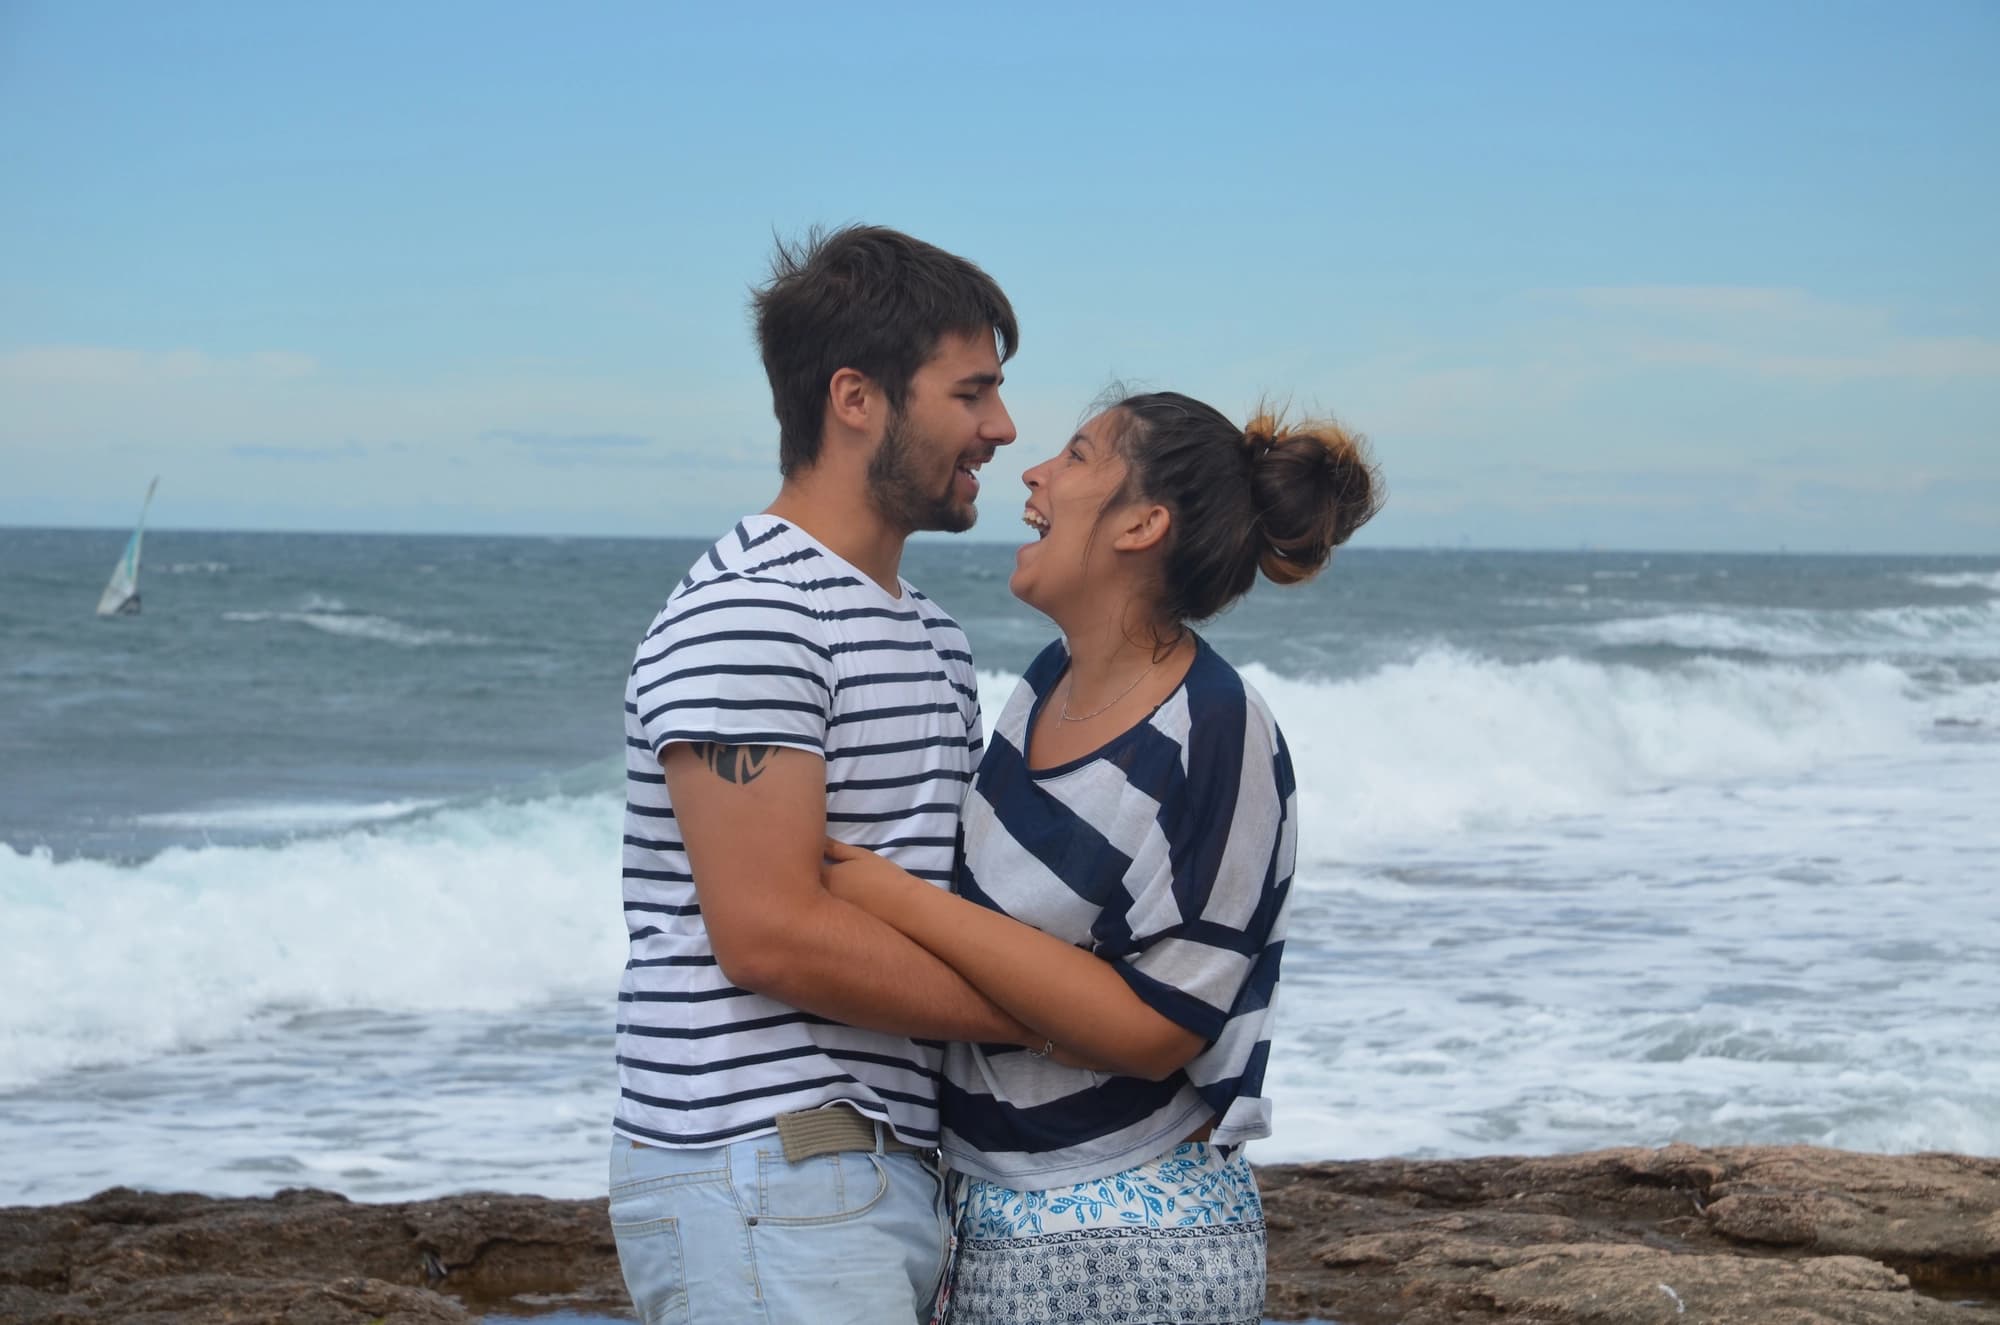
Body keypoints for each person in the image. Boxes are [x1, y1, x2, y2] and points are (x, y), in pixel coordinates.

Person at [822, 390, 1381, 1324]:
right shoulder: (1043, 686)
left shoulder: (1216, 724)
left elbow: (1165, 1022)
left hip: (1132, 1233)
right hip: (990, 1213)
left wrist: (889, 896)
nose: (1034, 473)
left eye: (1076, 455)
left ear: (1144, 524)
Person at [609, 225, 1041, 1325]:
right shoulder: (752, 611)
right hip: (773, 1169)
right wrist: (1050, 1015)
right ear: (856, 397)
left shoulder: (929, 634)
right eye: (972, 391)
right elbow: (768, 931)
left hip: (866, 1172)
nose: (1001, 427)